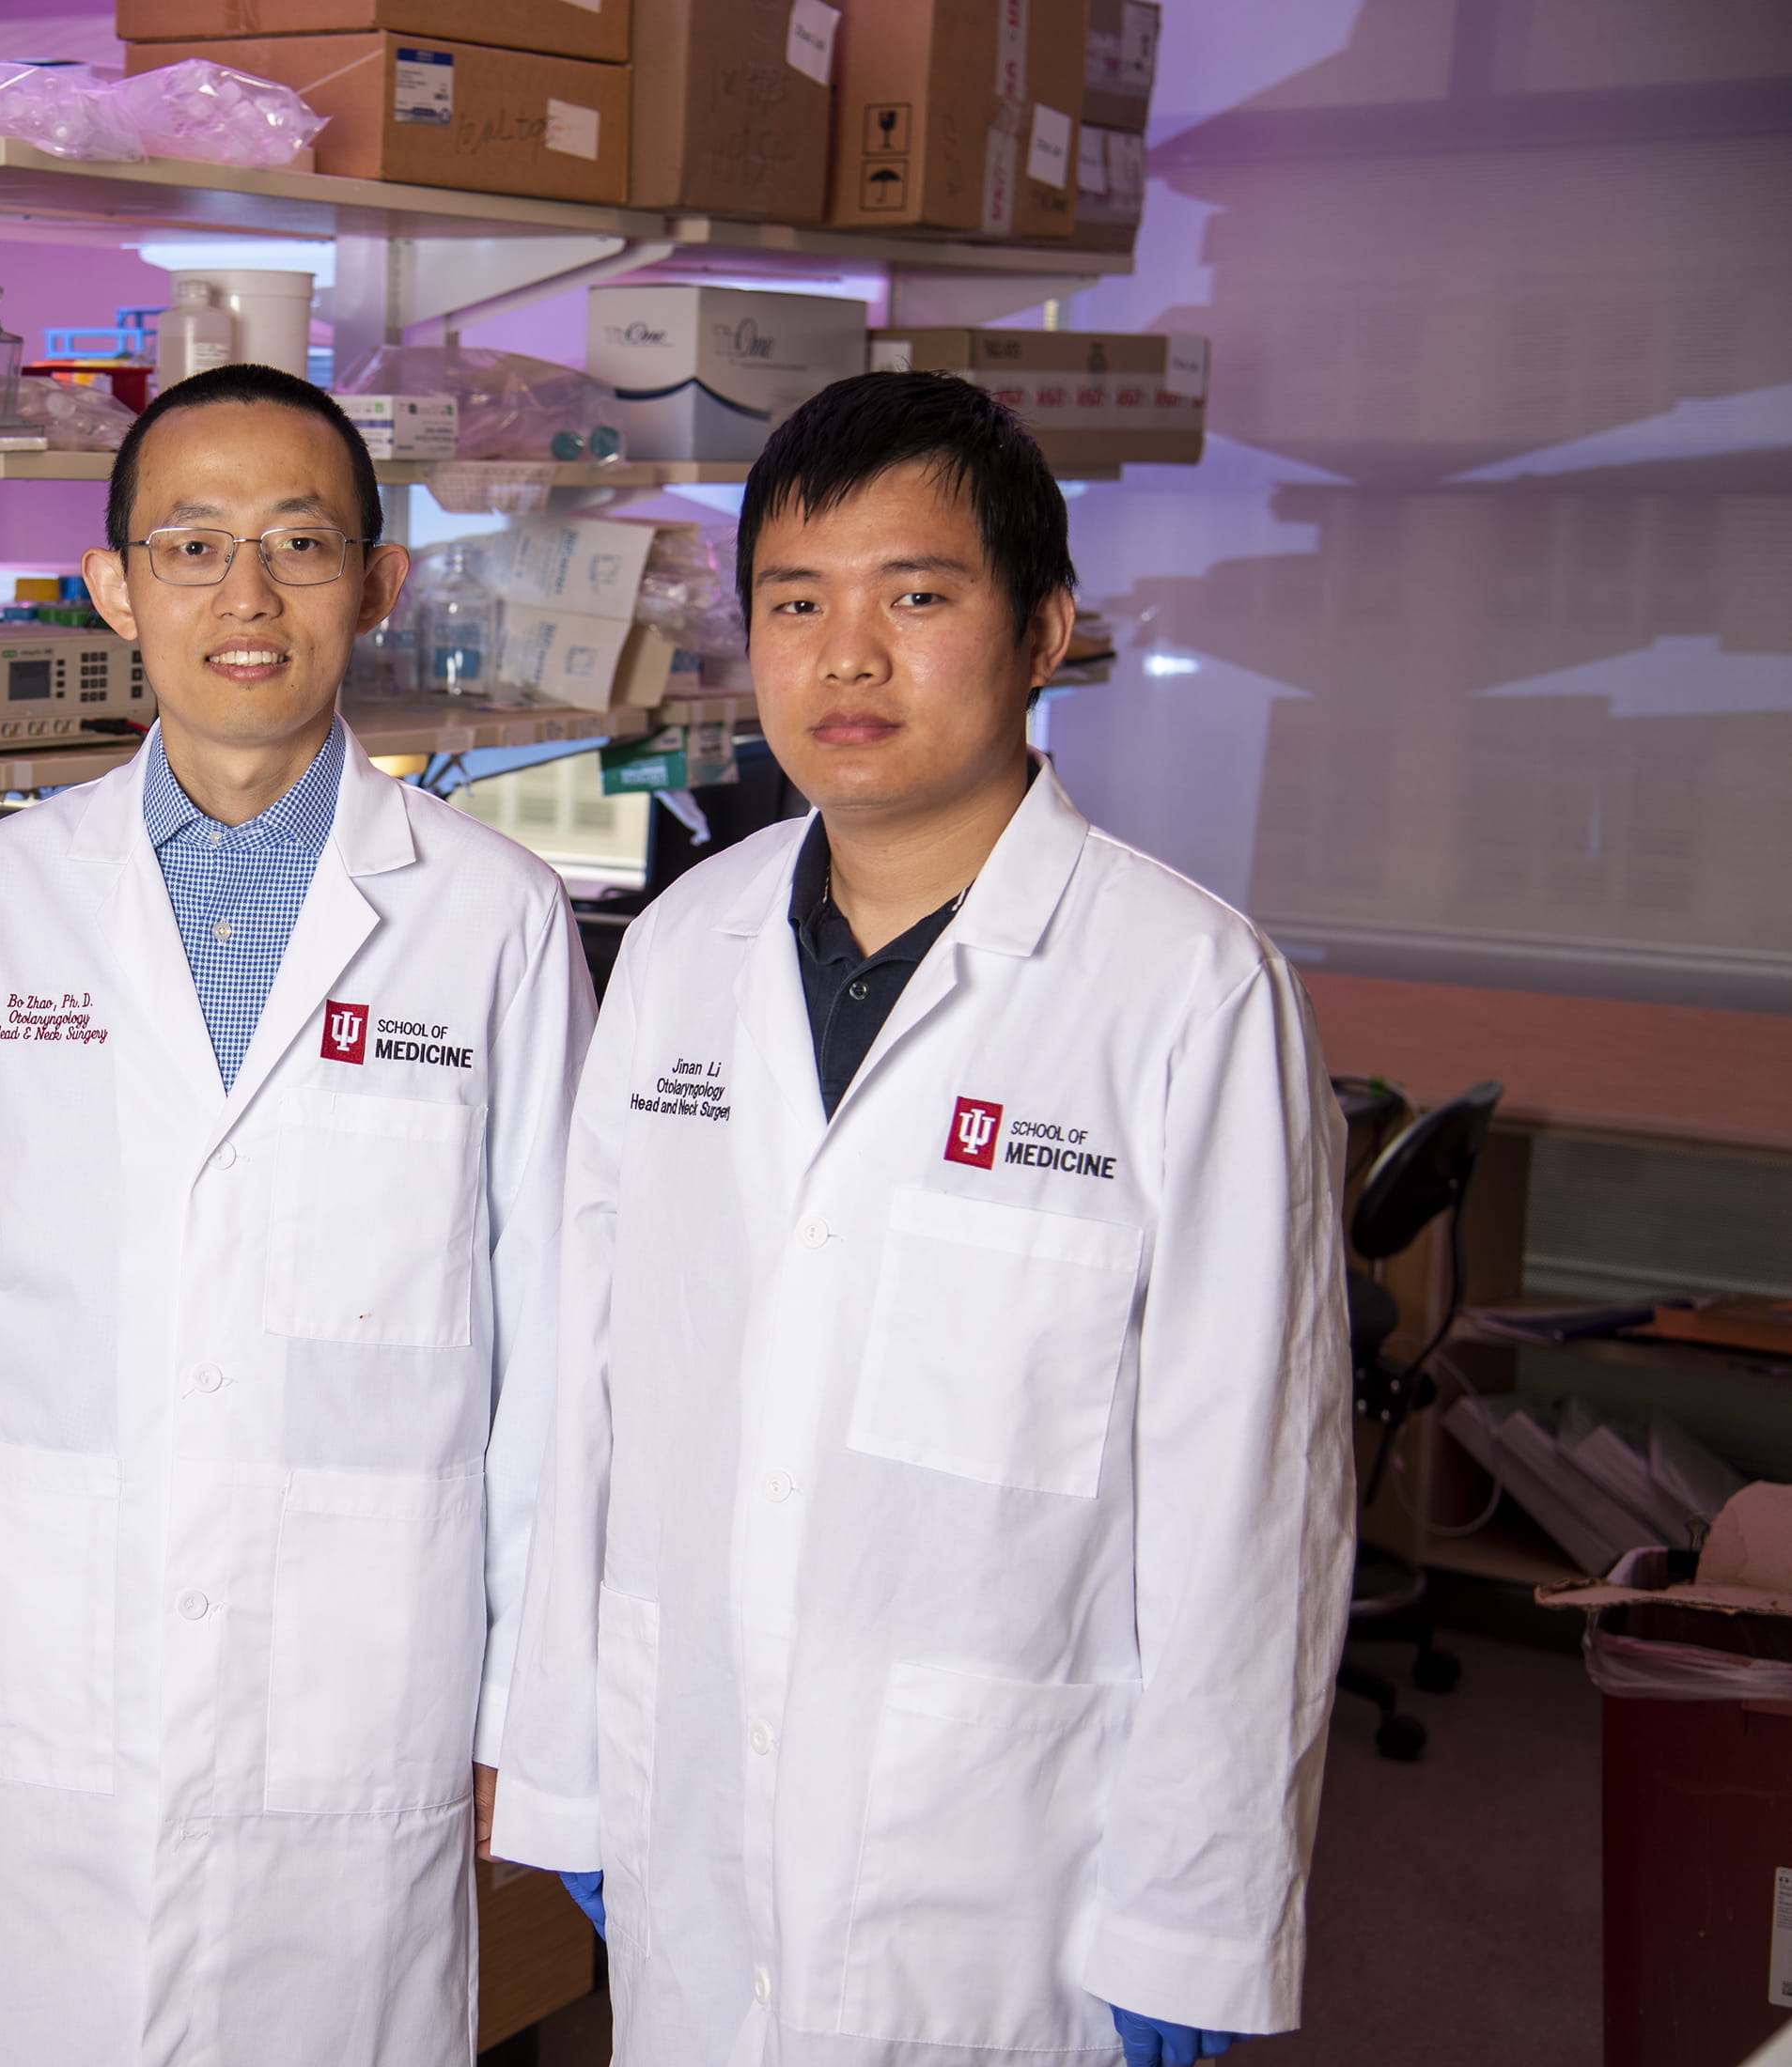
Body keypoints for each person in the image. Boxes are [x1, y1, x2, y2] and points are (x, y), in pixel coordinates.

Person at [491, 372, 1353, 2067]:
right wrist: (572, 1766)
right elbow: (591, 1404)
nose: (849, 657)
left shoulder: (1184, 991)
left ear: (1044, 631)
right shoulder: (682, 950)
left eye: (918, 596)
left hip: (1005, 1860)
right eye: (797, 603)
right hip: (692, 1811)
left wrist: (1196, 1904)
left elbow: (1250, 1493)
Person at [0, 363, 592, 2064]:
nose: (245, 597)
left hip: (360, 1685)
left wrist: (525, 1704)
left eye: (299, 544)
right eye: (191, 546)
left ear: (379, 583)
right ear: (114, 588)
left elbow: (551, 1346)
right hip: (53, 1675)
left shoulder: (491, 919)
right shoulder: (0, 903)